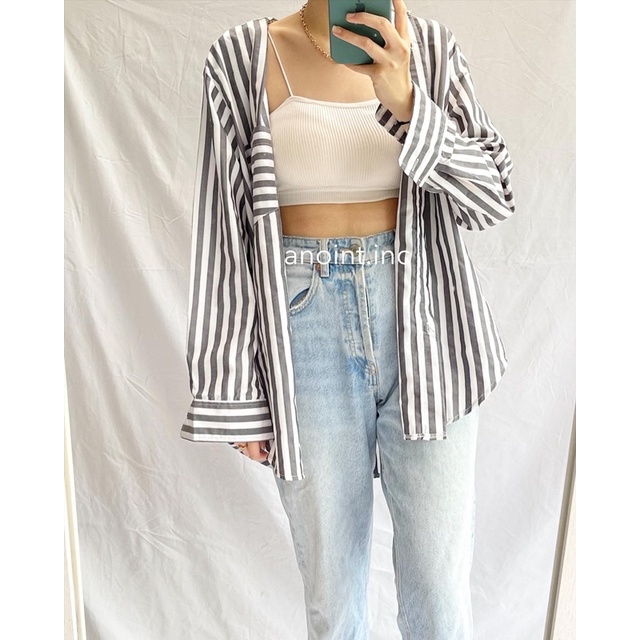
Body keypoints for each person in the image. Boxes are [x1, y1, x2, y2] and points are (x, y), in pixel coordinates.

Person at [181, 0, 516, 637]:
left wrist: (409, 103)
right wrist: (235, 389)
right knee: (333, 599)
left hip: (428, 324)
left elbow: (492, 200)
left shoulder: (432, 51)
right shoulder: (242, 58)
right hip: (302, 327)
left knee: (440, 594)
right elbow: (222, 230)